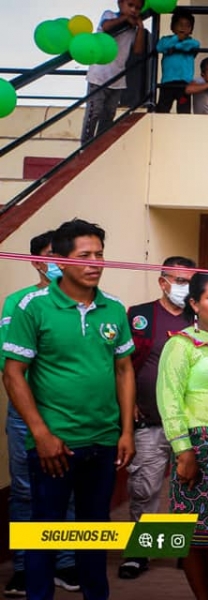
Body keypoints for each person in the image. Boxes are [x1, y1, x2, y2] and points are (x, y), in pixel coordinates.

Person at [1, 218, 136, 600]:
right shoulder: (32, 307)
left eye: (100, 255)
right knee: (45, 531)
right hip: (54, 445)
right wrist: (42, 435)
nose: (95, 263)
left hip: (104, 440)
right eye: (85, 256)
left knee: (94, 531)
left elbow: (123, 369)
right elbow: (13, 375)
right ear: (59, 261)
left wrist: (125, 432)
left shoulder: (113, 309)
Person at [0, 231, 79, 597]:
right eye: (51, 255)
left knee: (71, 492)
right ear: (36, 261)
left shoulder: (88, 303)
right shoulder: (18, 303)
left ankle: (65, 562)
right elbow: (10, 366)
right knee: (27, 491)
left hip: (73, 417)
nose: (60, 262)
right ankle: (23, 567)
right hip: (27, 416)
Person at [118, 256, 196, 579]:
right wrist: (129, 404)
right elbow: (121, 364)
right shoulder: (140, 316)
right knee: (145, 488)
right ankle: (141, 551)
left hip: (189, 423)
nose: (185, 287)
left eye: (190, 281)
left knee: (188, 490)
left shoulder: (200, 316)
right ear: (163, 282)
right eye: (179, 280)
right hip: (148, 419)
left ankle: (188, 553)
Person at [157, 273, 208, 600]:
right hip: (197, 445)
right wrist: (183, 450)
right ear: (194, 304)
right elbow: (169, 397)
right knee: (190, 533)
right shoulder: (181, 344)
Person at [81, 0, 146, 144]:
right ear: (120, 3)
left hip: (117, 79)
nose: (134, 10)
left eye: (138, 8)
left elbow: (138, 50)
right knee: (94, 111)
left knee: (109, 114)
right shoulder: (109, 15)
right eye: (130, 5)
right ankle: (85, 144)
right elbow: (106, 27)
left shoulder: (133, 28)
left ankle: (99, 142)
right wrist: (124, 19)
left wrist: (140, 28)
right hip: (99, 77)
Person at [155, 9, 200, 114]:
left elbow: (189, 46)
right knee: (162, 109)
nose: (183, 28)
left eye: (187, 26)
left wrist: (175, 47)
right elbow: (159, 47)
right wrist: (176, 39)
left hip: (184, 84)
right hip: (167, 82)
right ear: (172, 27)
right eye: (180, 24)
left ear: (191, 30)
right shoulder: (166, 39)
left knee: (183, 109)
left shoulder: (193, 43)